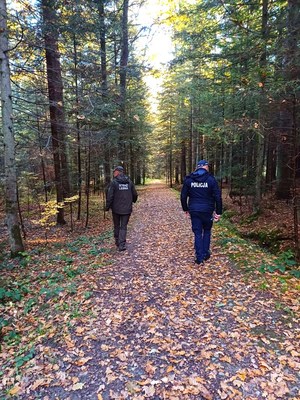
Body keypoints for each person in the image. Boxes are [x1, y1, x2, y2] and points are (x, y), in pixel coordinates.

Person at [180, 160, 222, 264]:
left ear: (198, 167)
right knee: (207, 231)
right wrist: (218, 212)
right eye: (208, 166)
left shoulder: (189, 179)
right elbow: (218, 196)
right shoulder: (211, 179)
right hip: (207, 210)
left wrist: (185, 209)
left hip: (194, 210)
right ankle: (205, 253)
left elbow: (183, 196)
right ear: (206, 167)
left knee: (197, 233)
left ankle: (199, 257)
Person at [105, 166, 138, 251]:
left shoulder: (114, 183)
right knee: (123, 227)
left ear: (118, 172)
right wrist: (132, 201)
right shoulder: (129, 182)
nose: (113, 173)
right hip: (127, 209)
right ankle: (122, 245)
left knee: (117, 225)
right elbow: (135, 194)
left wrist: (107, 207)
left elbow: (110, 196)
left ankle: (117, 241)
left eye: (114, 171)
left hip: (116, 209)